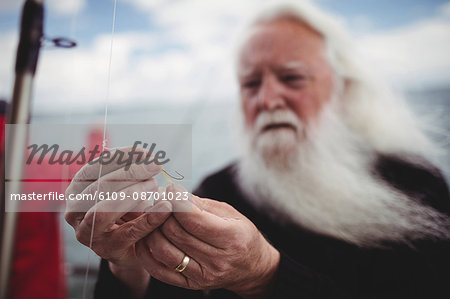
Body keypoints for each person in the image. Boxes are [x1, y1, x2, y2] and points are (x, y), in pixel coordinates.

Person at [65, 1, 450, 298]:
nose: (267, 98)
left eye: (291, 77)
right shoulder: (217, 190)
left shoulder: (414, 186)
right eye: (251, 84)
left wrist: (265, 276)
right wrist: (131, 267)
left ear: (342, 91)